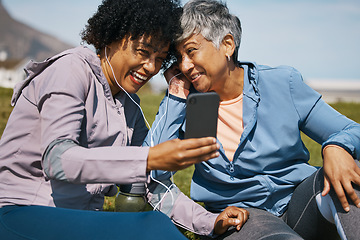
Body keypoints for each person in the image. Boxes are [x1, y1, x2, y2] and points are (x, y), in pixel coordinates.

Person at [0, 0, 223, 239]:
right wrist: (148, 157)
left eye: (160, 58)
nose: (151, 67)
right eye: (143, 52)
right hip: (21, 213)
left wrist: (210, 222)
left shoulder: (130, 108)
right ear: (111, 38)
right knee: (151, 229)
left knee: (154, 222)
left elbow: (150, 184)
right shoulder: (70, 70)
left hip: (81, 220)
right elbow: (58, 159)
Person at [145, 0, 360, 239]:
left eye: (191, 51)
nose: (184, 65)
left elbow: (351, 130)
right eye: (179, 56)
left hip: (299, 203)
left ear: (227, 45)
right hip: (243, 218)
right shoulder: (187, 103)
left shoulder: (282, 83)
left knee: (353, 173)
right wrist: (175, 95)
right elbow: (152, 171)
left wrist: (337, 146)